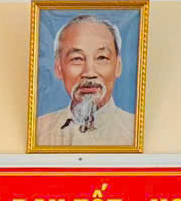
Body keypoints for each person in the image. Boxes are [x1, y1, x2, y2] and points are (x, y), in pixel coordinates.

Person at [33, 14, 137, 149]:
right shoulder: (39, 131)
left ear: (118, 66)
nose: (89, 73)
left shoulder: (134, 131)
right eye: (77, 59)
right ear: (58, 68)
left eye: (101, 57)